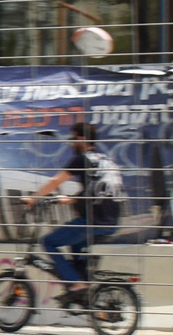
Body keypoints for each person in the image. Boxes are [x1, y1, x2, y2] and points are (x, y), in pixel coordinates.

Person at [27, 122, 124, 307]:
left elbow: (56, 180)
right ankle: (85, 288)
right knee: (76, 246)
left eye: (72, 140)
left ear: (81, 139)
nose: (71, 145)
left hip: (93, 222)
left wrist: (34, 198)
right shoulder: (105, 161)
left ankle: (76, 285)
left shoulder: (82, 159)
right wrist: (70, 200)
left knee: (48, 242)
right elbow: (98, 191)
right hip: (110, 222)